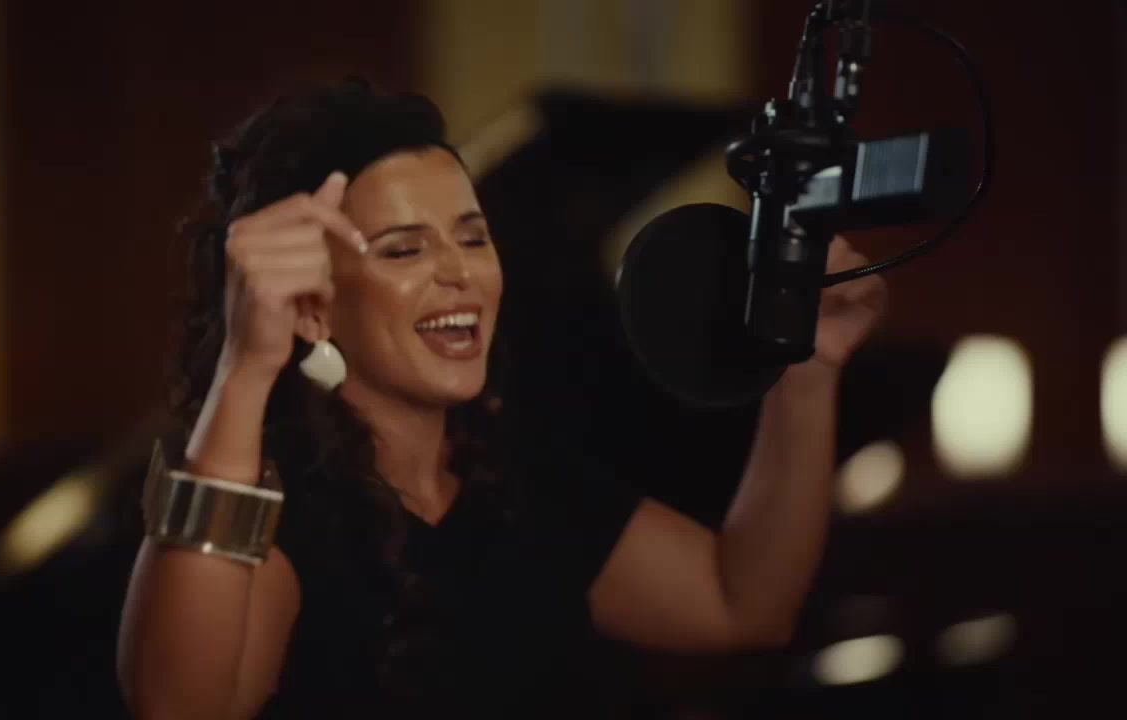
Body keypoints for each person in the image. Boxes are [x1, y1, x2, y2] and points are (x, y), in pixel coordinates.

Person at [116, 79, 888, 719]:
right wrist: (246, 365)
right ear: (313, 308)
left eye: (472, 236)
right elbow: (178, 709)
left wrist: (807, 371)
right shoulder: (282, 517)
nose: (460, 274)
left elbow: (742, 603)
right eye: (405, 249)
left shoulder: (515, 479)